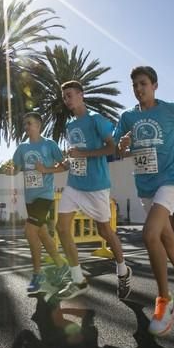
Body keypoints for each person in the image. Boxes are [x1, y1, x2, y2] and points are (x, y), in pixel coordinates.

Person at [114, 66, 174, 337]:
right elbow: (114, 145)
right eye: (134, 85)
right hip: (144, 186)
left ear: (155, 85)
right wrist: (120, 145)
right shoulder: (128, 117)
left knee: (150, 234)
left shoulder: (172, 110)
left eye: (143, 83)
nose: (139, 89)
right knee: (167, 240)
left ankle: (164, 301)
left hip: (170, 181)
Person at [54, 80, 131, 301]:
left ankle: (123, 270)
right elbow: (77, 154)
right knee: (61, 228)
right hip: (74, 184)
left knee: (105, 232)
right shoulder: (70, 126)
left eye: (69, 95)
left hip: (97, 185)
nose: (66, 99)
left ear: (81, 95)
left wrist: (82, 155)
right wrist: (69, 161)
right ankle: (77, 279)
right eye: (64, 96)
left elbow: (111, 148)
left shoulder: (97, 120)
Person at [8, 112, 68, 295]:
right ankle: (61, 265)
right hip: (30, 198)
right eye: (25, 124)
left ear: (39, 125)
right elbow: (16, 169)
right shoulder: (22, 148)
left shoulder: (49, 144)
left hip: (45, 196)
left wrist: (46, 170)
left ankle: (37, 274)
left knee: (29, 231)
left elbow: (65, 165)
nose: (26, 127)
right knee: (42, 234)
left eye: (30, 123)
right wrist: (10, 171)